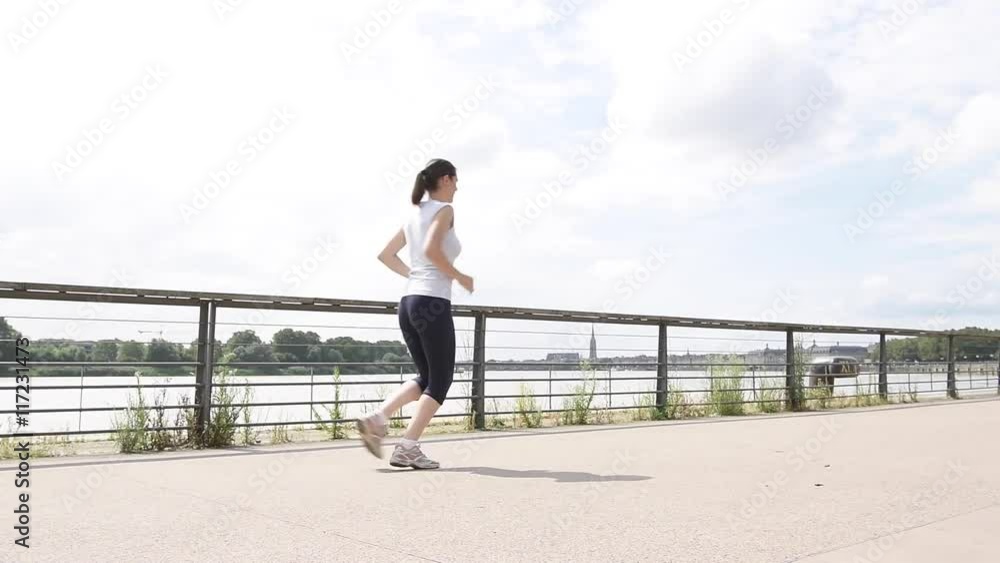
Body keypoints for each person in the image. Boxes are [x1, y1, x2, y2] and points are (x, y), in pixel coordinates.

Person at [357, 158, 474, 469]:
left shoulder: (414, 214)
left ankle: (377, 419)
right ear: (446, 179)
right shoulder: (444, 210)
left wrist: (415, 275)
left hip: (409, 302)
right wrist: (459, 276)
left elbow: (386, 255)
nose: (458, 187)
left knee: (427, 378)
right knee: (441, 381)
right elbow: (432, 250)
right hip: (432, 302)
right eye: (456, 180)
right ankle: (408, 446)